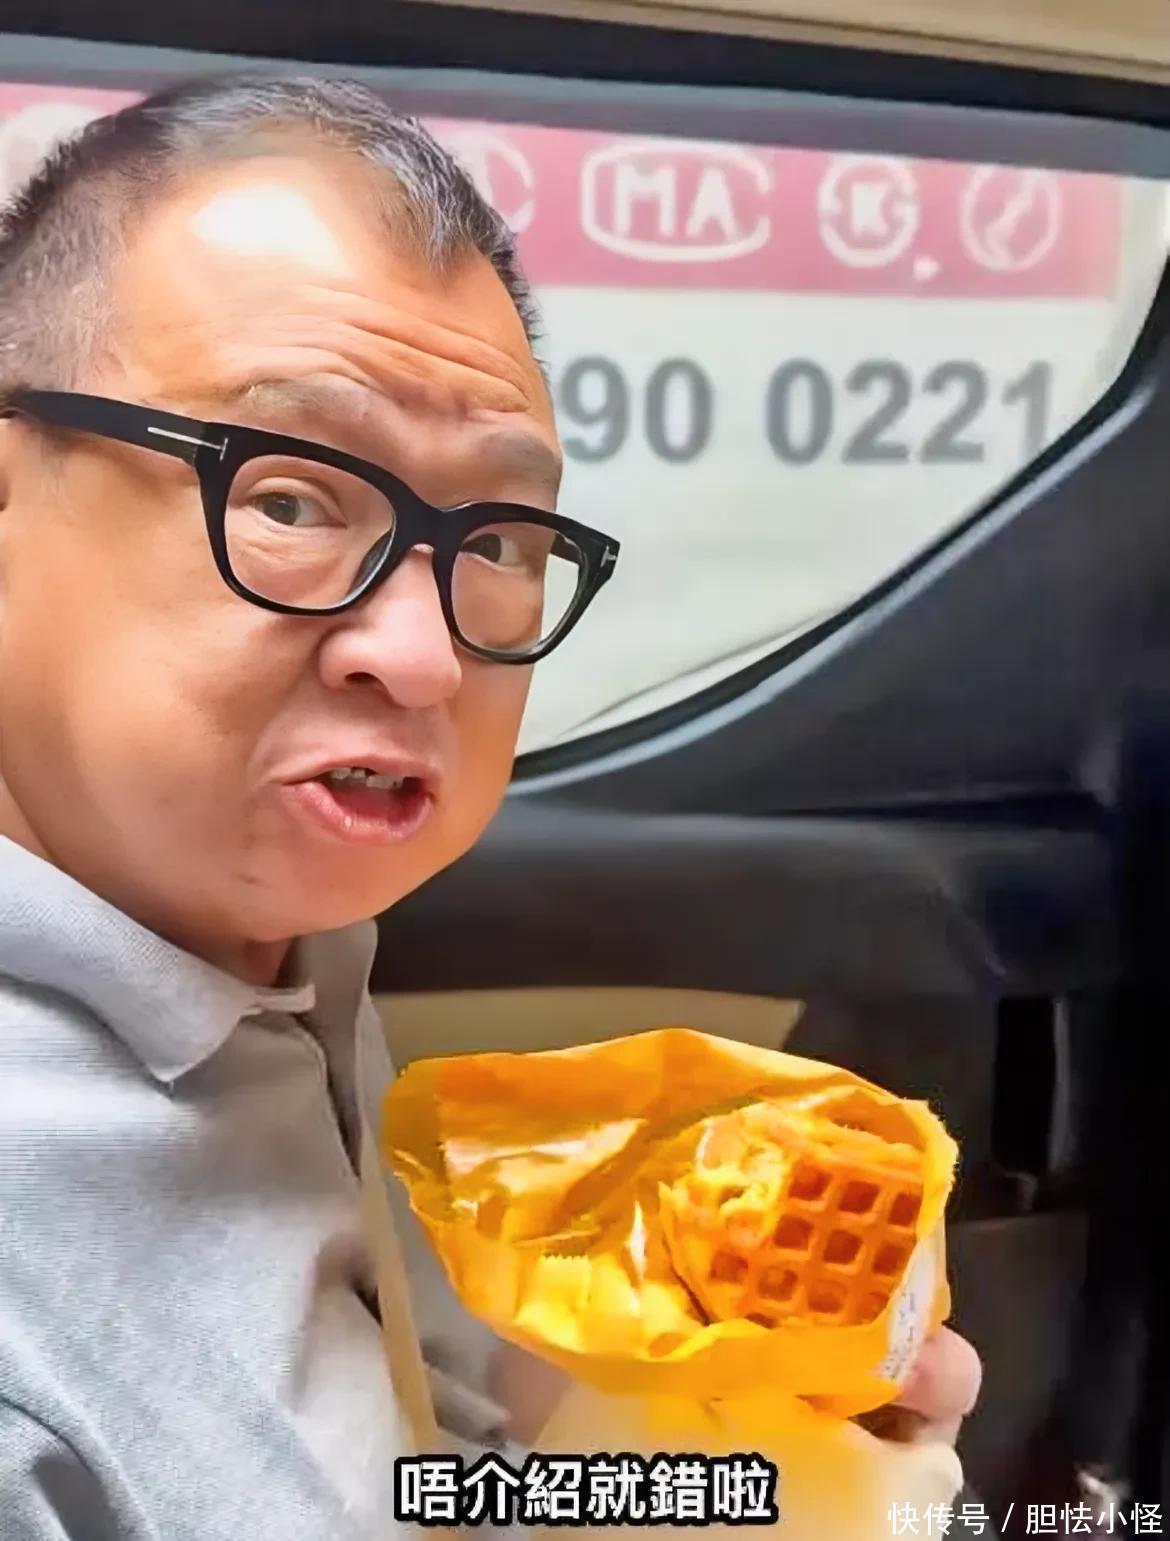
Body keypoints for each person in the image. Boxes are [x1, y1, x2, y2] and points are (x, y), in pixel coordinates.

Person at [0, 74, 979, 1538]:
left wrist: (712, 1468)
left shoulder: (274, 955)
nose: (423, 654)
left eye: (498, 540)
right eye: (289, 499)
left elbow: (417, 1461)